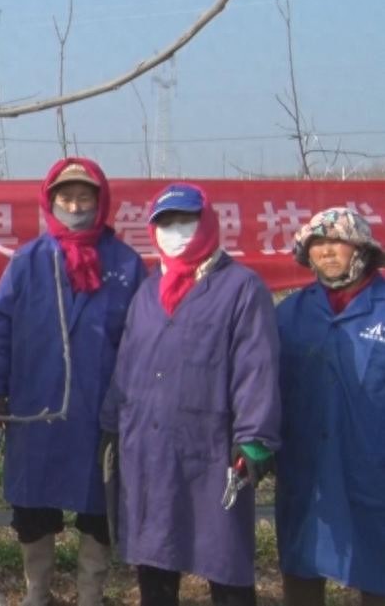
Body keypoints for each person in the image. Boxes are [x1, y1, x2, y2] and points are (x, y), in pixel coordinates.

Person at [99, 182, 280, 606]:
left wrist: (254, 436)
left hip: (211, 446)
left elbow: (257, 366)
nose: (175, 231)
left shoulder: (241, 288)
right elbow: (127, 362)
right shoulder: (148, 292)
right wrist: (111, 421)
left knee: (224, 556)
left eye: (185, 220)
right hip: (148, 445)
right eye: (165, 223)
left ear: (207, 223)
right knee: (155, 555)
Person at [0, 158, 145, 606]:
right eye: (66, 197)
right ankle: (38, 591)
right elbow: (1, 326)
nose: (75, 206)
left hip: (101, 407)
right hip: (37, 403)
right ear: (50, 202)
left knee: (99, 505)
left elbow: (143, 337)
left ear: (101, 201)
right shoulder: (28, 260)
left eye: (84, 197)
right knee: (33, 504)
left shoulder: (125, 264)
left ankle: (90, 593)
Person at [274, 207, 385, 606]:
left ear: (361, 249)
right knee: (302, 568)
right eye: (316, 244)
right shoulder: (290, 314)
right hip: (306, 469)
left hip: (373, 470)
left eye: (336, 241)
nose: (326, 251)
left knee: (379, 571)